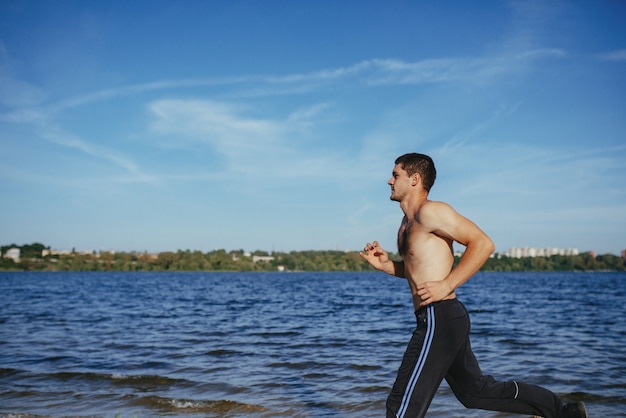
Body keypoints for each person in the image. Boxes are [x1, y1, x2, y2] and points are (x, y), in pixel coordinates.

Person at [360, 153, 588, 418]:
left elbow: (483, 243)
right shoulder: (406, 224)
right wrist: (388, 266)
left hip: (439, 316)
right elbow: (417, 270)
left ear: (415, 179)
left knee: (402, 406)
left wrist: (448, 284)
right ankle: (562, 412)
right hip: (439, 318)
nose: (389, 180)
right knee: (474, 393)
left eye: (395, 175)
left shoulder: (431, 211)